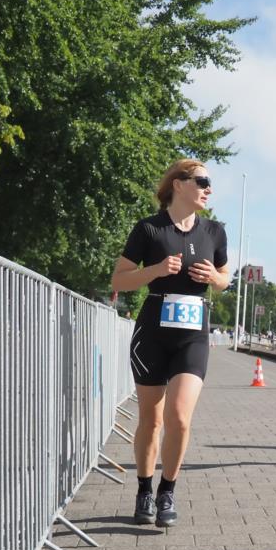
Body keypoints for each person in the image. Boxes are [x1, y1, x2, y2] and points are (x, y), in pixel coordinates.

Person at [111, 159, 229, 527]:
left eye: (210, 182)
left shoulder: (215, 231)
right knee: (152, 418)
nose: (208, 188)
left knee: (179, 415)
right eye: (202, 181)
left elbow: (226, 277)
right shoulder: (149, 229)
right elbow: (120, 279)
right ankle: (144, 490)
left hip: (193, 333)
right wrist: (157, 271)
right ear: (178, 184)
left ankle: (167, 491)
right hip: (153, 331)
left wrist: (215, 277)